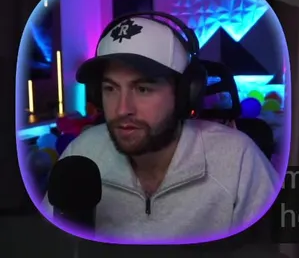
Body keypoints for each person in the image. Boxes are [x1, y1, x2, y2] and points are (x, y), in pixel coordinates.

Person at [42, 14, 279, 242]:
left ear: (185, 94)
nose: (122, 109)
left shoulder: (238, 161)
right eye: (110, 89)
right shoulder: (82, 153)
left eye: (143, 89)